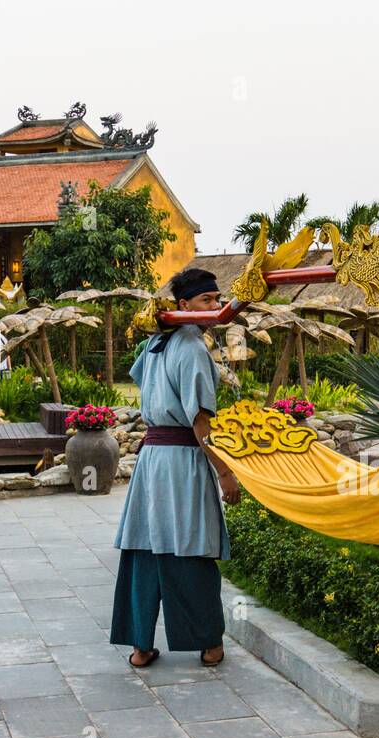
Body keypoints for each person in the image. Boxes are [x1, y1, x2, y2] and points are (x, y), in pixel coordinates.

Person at [110, 267, 241, 669]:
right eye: (207, 300)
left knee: (147, 545)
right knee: (191, 546)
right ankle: (207, 643)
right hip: (182, 457)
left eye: (218, 300)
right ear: (183, 305)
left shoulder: (155, 342)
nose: (216, 306)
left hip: (152, 458)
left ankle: (140, 646)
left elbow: (138, 378)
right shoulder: (192, 346)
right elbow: (201, 419)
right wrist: (224, 472)